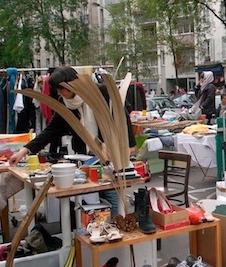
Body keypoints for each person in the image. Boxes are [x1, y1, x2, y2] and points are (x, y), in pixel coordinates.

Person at [8, 67, 137, 218]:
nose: (60, 93)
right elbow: (52, 130)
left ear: (72, 84)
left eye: (63, 89)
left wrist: (129, 145)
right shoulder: (64, 103)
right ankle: (95, 230)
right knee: (90, 198)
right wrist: (25, 150)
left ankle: (117, 224)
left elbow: (122, 116)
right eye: (57, 89)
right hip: (86, 157)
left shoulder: (100, 92)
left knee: (112, 193)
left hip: (110, 152)